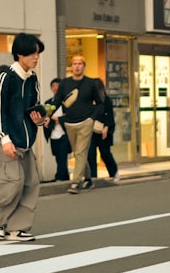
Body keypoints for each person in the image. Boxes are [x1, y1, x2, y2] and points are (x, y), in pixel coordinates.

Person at [0, 33, 46, 242]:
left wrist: (40, 119)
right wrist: (4, 139)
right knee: (13, 183)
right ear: (20, 54)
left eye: (38, 53)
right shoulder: (6, 77)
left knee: (30, 184)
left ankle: (16, 228)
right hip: (8, 142)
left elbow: (33, 108)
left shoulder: (32, 78)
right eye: (33, 53)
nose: (36, 57)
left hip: (26, 143)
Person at [53, 55, 107, 194]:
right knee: (78, 153)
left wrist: (92, 119)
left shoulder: (91, 83)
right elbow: (57, 101)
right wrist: (46, 113)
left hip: (86, 122)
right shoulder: (65, 83)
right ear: (71, 66)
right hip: (70, 123)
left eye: (80, 63)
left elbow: (101, 104)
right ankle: (88, 179)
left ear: (84, 66)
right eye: (74, 63)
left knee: (81, 151)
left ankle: (76, 182)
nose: (77, 66)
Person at [87, 91, 118, 181]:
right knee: (91, 154)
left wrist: (107, 126)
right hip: (91, 130)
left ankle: (114, 172)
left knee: (105, 153)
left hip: (103, 130)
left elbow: (110, 115)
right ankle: (93, 176)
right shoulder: (88, 100)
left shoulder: (106, 99)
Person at [45, 77, 71, 182]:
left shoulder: (67, 102)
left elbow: (70, 116)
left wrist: (58, 119)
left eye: (57, 86)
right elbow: (45, 116)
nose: (55, 88)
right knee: (57, 156)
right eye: (53, 86)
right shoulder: (48, 103)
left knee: (63, 156)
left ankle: (59, 177)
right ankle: (65, 177)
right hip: (53, 134)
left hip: (64, 133)